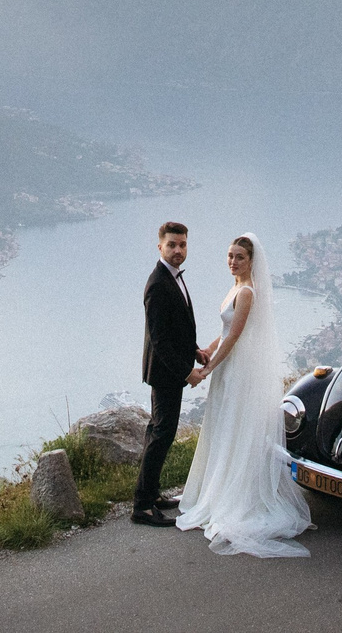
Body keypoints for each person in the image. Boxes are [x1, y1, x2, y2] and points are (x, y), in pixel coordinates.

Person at [172, 235, 312, 557]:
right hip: (226, 366)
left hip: (237, 369)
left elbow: (234, 337)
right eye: (230, 256)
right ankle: (217, 487)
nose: (233, 262)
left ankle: (232, 496)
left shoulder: (247, 291)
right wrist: (205, 350)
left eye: (240, 258)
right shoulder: (235, 286)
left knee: (234, 426)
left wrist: (206, 371)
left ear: (251, 262)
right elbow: (224, 330)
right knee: (223, 427)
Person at [133, 220, 204, 525]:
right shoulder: (157, 283)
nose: (178, 250)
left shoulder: (172, 276)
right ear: (159, 246)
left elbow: (178, 328)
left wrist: (196, 349)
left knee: (158, 432)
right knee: (162, 434)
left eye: (183, 244)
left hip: (169, 368)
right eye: (172, 244)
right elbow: (160, 340)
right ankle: (143, 507)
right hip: (165, 373)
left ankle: (151, 495)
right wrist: (187, 372)